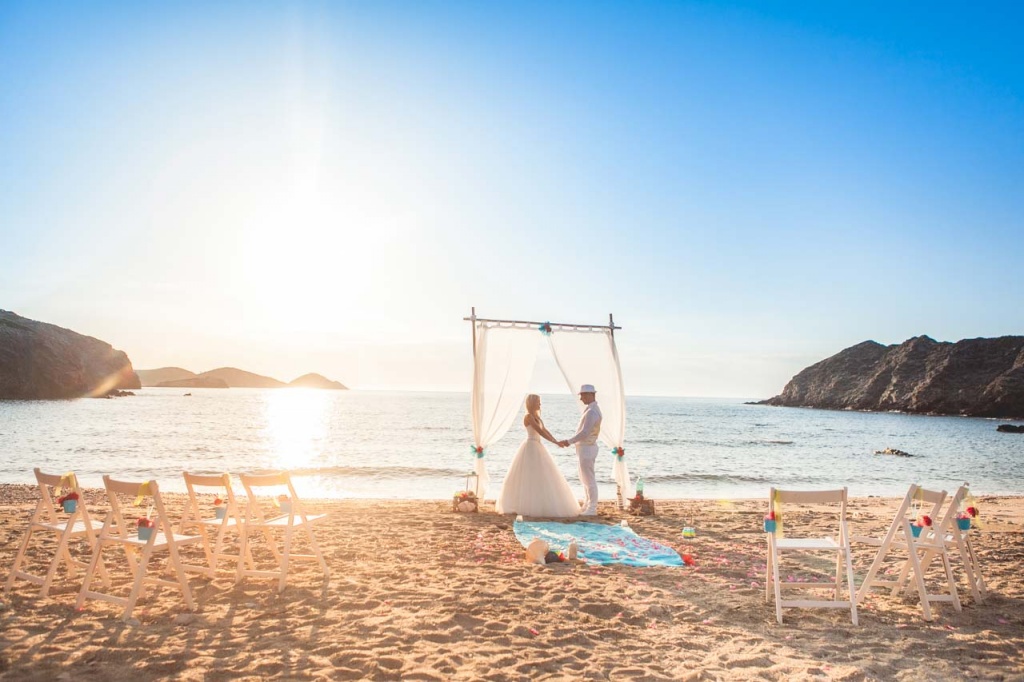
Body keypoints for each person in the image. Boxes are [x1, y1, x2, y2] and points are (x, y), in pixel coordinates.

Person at [495, 394, 581, 518]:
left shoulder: (537, 417)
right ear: (532, 403)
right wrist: (554, 442)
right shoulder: (528, 417)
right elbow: (539, 431)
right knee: (529, 475)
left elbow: (544, 430)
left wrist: (556, 441)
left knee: (542, 474)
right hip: (530, 446)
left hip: (538, 445)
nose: (540, 404)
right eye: (538, 402)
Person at [558, 384, 602, 516]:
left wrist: (569, 441)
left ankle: (592, 508)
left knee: (589, 479)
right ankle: (587, 504)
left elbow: (585, 432)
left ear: (590, 395)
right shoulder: (591, 410)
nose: (581, 398)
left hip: (587, 448)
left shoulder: (592, 412)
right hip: (585, 448)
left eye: (582, 395)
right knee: (584, 478)